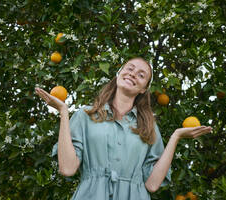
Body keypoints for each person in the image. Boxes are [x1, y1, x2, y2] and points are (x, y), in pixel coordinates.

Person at [35, 57, 212, 200]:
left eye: (141, 75)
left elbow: (152, 185)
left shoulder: (148, 126)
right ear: (119, 74)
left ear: (143, 89)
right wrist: (64, 112)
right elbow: (67, 169)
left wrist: (175, 137)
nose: (133, 74)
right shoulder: (85, 115)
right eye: (129, 68)